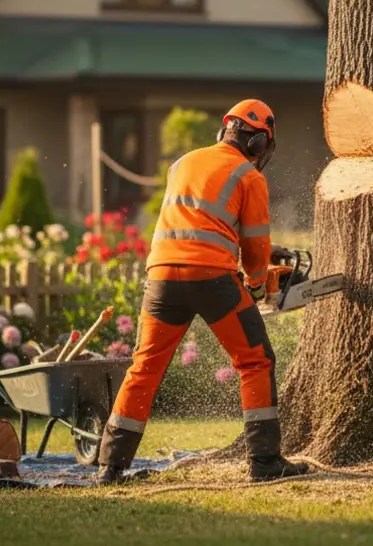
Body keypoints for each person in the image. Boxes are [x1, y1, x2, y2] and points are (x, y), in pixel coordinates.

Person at [96, 99, 310, 484]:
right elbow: (256, 246)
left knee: (144, 368)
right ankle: (264, 462)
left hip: (161, 277)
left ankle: (111, 466)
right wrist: (259, 283)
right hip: (210, 278)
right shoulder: (249, 176)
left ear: (224, 131)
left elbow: (205, 221)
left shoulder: (182, 163)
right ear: (259, 143)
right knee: (255, 361)